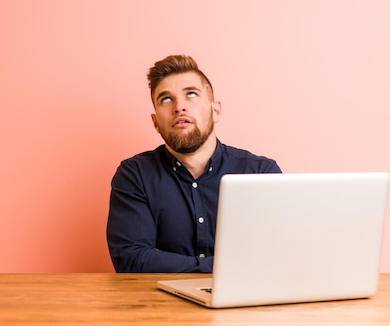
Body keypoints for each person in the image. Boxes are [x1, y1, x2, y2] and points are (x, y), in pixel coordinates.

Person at [106, 54, 281, 273]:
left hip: (244, 305)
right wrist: (219, 267)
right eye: (166, 99)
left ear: (215, 111)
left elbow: (276, 256)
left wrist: (166, 261)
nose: (179, 107)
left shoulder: (260, 174)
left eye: (191, 94)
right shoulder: (135, 175)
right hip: (161, 305)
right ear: (155, 123)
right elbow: (131, 260)